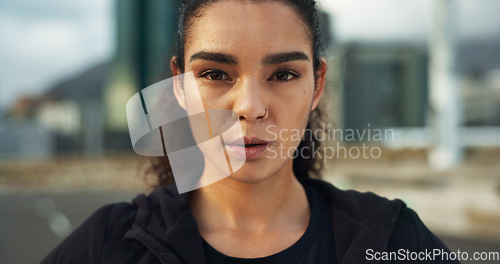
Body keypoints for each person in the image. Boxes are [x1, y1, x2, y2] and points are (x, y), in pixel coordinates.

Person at [41, 0, 459, 263]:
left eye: (282, 74)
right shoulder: (108, 245)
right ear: (180, 86)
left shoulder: (395, 240)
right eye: (216, 73)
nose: (251, 107)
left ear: (317, 84)